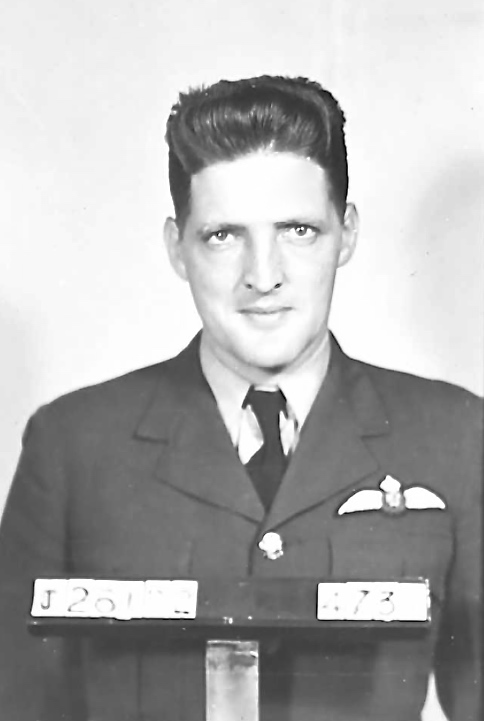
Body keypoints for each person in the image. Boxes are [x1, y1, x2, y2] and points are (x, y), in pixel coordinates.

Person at [0, 75, 481, 721]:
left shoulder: (455, 437)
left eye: (298, 230)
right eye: (223, 235)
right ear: (177, 247)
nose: (263, 275)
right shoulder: (73, 447)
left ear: (347, 233)